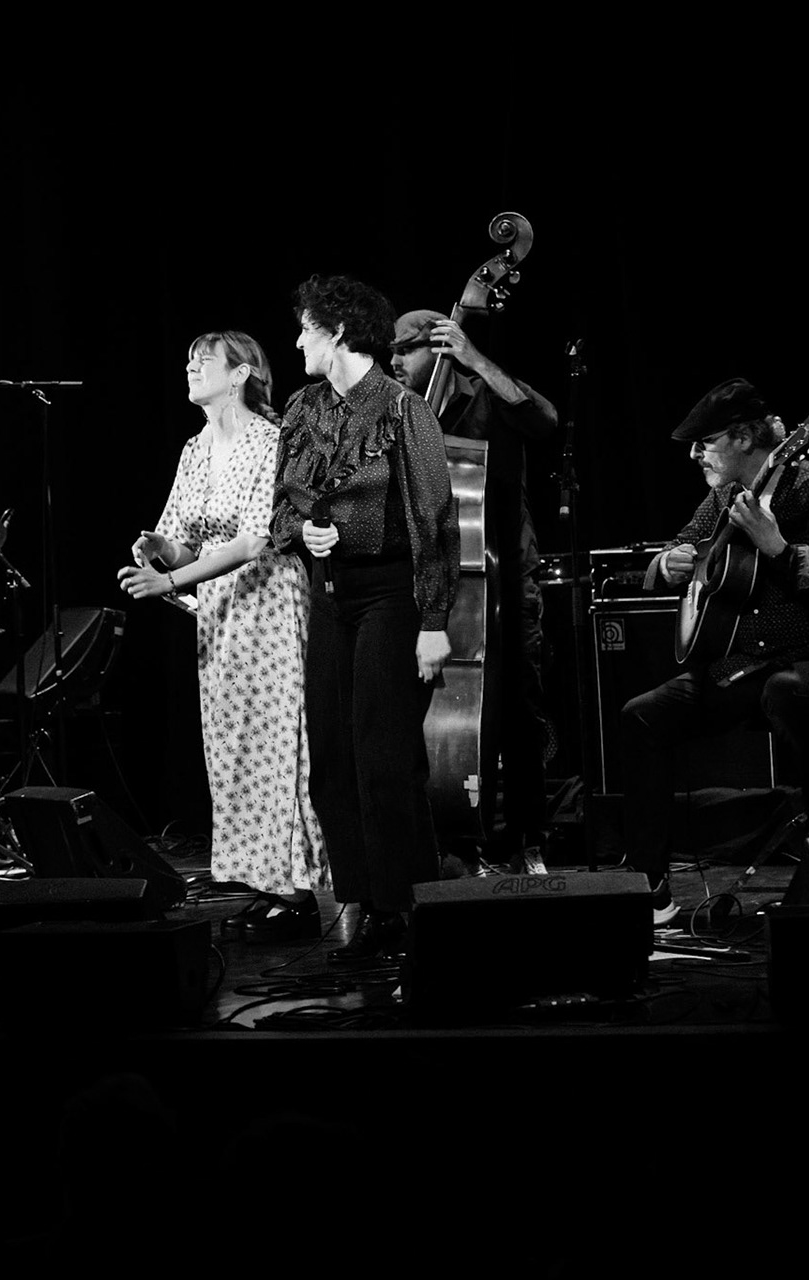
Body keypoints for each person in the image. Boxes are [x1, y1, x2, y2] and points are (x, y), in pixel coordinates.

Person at [621, 378, 809, 925]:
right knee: (642, 716)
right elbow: (688, 542)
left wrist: (780, 550)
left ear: (745, 437)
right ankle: (648, 887)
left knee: (786, 690)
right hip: (754, 662)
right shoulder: (721, 498)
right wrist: (670, 561)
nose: (694, 454)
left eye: (706, 441)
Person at [271, 275, 459, 964]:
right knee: (332, 755)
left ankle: (400, 905)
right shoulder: (302, 409)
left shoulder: (403, 409)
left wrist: (435, 620)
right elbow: (281, 508)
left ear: (340, 333)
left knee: (383, 754)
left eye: (306, 328)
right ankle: (359, 895)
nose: (296, 340)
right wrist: (304, 535)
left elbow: (437, 520)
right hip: (331, 593)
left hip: (390, 594)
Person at [117, 331, 326, 940]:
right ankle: (266, 884)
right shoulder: (193, 446)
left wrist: (172, 578)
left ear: (238, 374)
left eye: (201, 361)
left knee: (280, 745)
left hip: (269, 601)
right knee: (234, 748)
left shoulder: (272, 439)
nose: (189, 369)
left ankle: (300, 889)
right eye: (186, 360)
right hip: (220, 612)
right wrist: (160, 550)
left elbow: (255, 537)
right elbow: (185, 535)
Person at [390, 309, 559, 866]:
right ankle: (450, 832)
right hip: (432, 585)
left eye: (406, 350)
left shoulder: (484, 388)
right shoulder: (401, 410)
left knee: (518, 710)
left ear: (439, 349)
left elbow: (543, 420)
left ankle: (529, 837)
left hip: (503, 575)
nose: (394, 360)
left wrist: (475, 358)